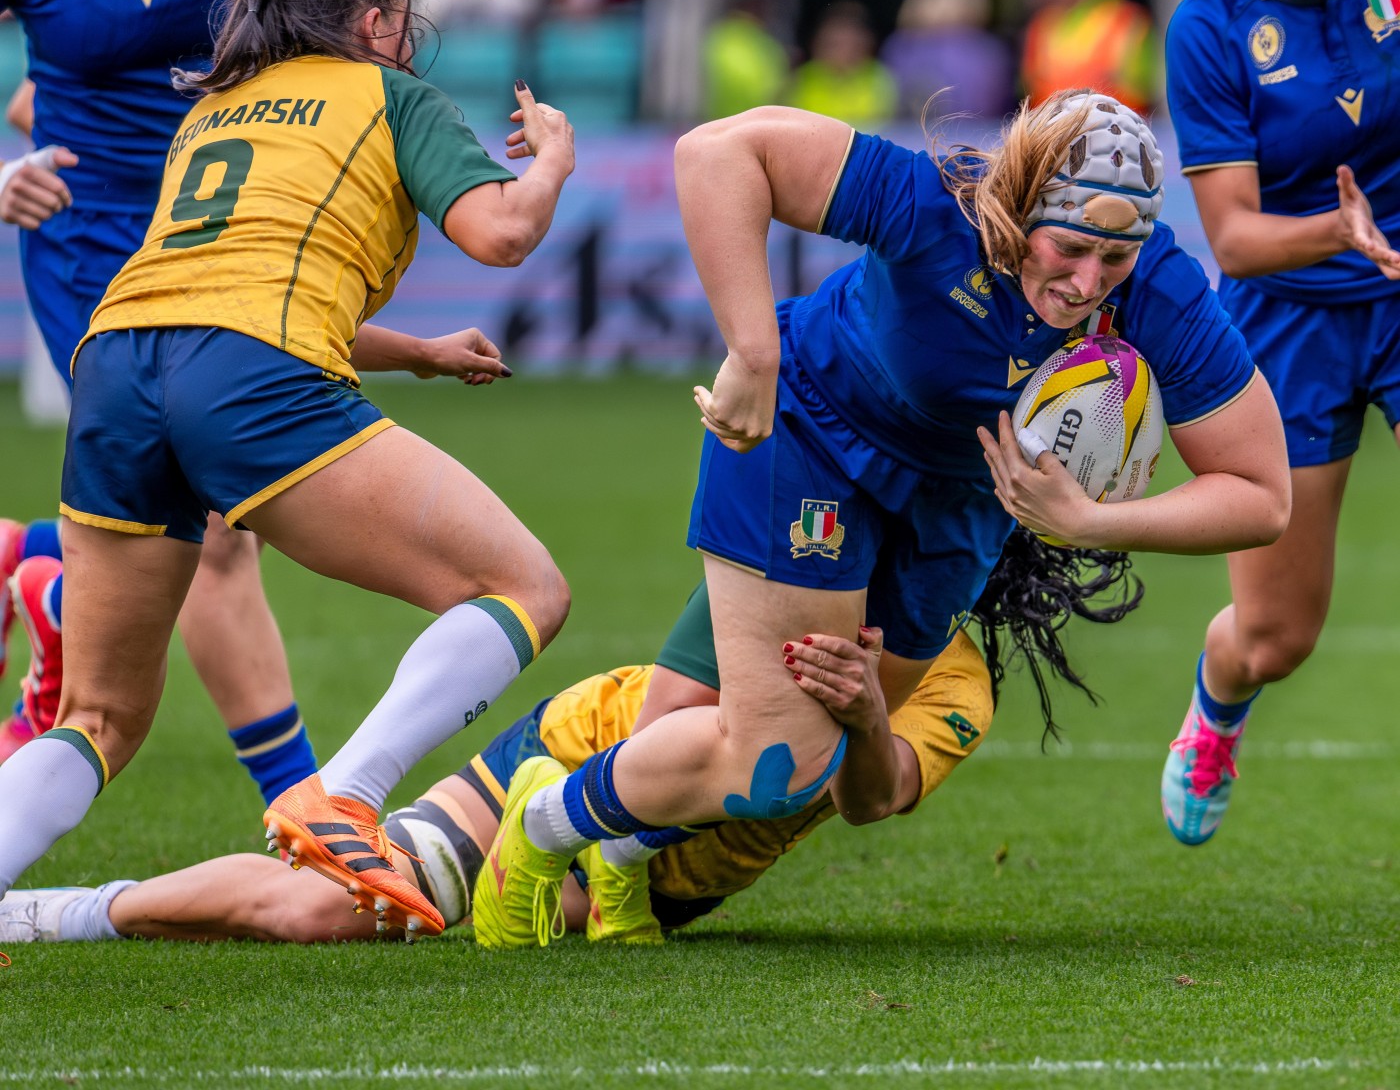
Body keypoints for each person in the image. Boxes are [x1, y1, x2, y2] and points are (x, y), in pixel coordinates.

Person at [469, 89, 1292, 950]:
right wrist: (753, 352)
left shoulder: (1161, 288)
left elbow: (1262, 494)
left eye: (1115, 259)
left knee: (808, 747)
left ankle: (620, 863)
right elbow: (716, 153)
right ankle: (543, 822)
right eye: (1072, 247)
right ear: (1017, 209)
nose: (1088, 283)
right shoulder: (939, 206)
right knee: (773, 768)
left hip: (962, 509)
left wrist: (1087, 523)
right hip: (815, 441)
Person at [0, 0, 576, 941]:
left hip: (115, 367)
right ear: (373, 19)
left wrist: (420, 354)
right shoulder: (389, 95)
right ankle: (343, 793)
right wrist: (551, 159)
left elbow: (225, 290)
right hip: (244, 377)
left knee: (97, 719)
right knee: (524, 588)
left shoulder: (215, 107)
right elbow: (503, 231)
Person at [0, 527, 1144, 946]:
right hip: (609, 745)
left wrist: (855, 708)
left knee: (548, 925)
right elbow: (687, 700)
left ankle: (598, 854)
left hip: (682, 871)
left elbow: (869, 799)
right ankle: (53, 914)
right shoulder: (816, 551)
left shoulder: (960, 685)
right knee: (319, 912)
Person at [0, 0, 320, 797]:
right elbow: (29, 103)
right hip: (88, 248)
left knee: (208, 517)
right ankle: (306, 815)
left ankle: (38, 565)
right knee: (216, 526)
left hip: (215, 236)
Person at [1158, 0, 1400, 845]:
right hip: (1290, 319)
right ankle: (1219, 705)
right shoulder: (1210, 24)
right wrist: (1341, 231)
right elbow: (1233, 237)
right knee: (1275, 638)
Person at [879, 0, 1015, 122]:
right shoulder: (989, 50)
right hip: (976, 138)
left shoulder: (900, 46)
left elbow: (889, 102)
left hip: (914, 136)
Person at [1018, 0, 1157, 116]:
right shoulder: (1039, 28)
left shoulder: (1130, 22)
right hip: (1050, 137)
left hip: (1112, 136)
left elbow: (1143, 99)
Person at [786, 1, 898, 130]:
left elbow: (886, 128)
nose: (843, 52)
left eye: (851, 44)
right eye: (835, 44)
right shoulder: (800, 80)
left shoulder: (881, 79)